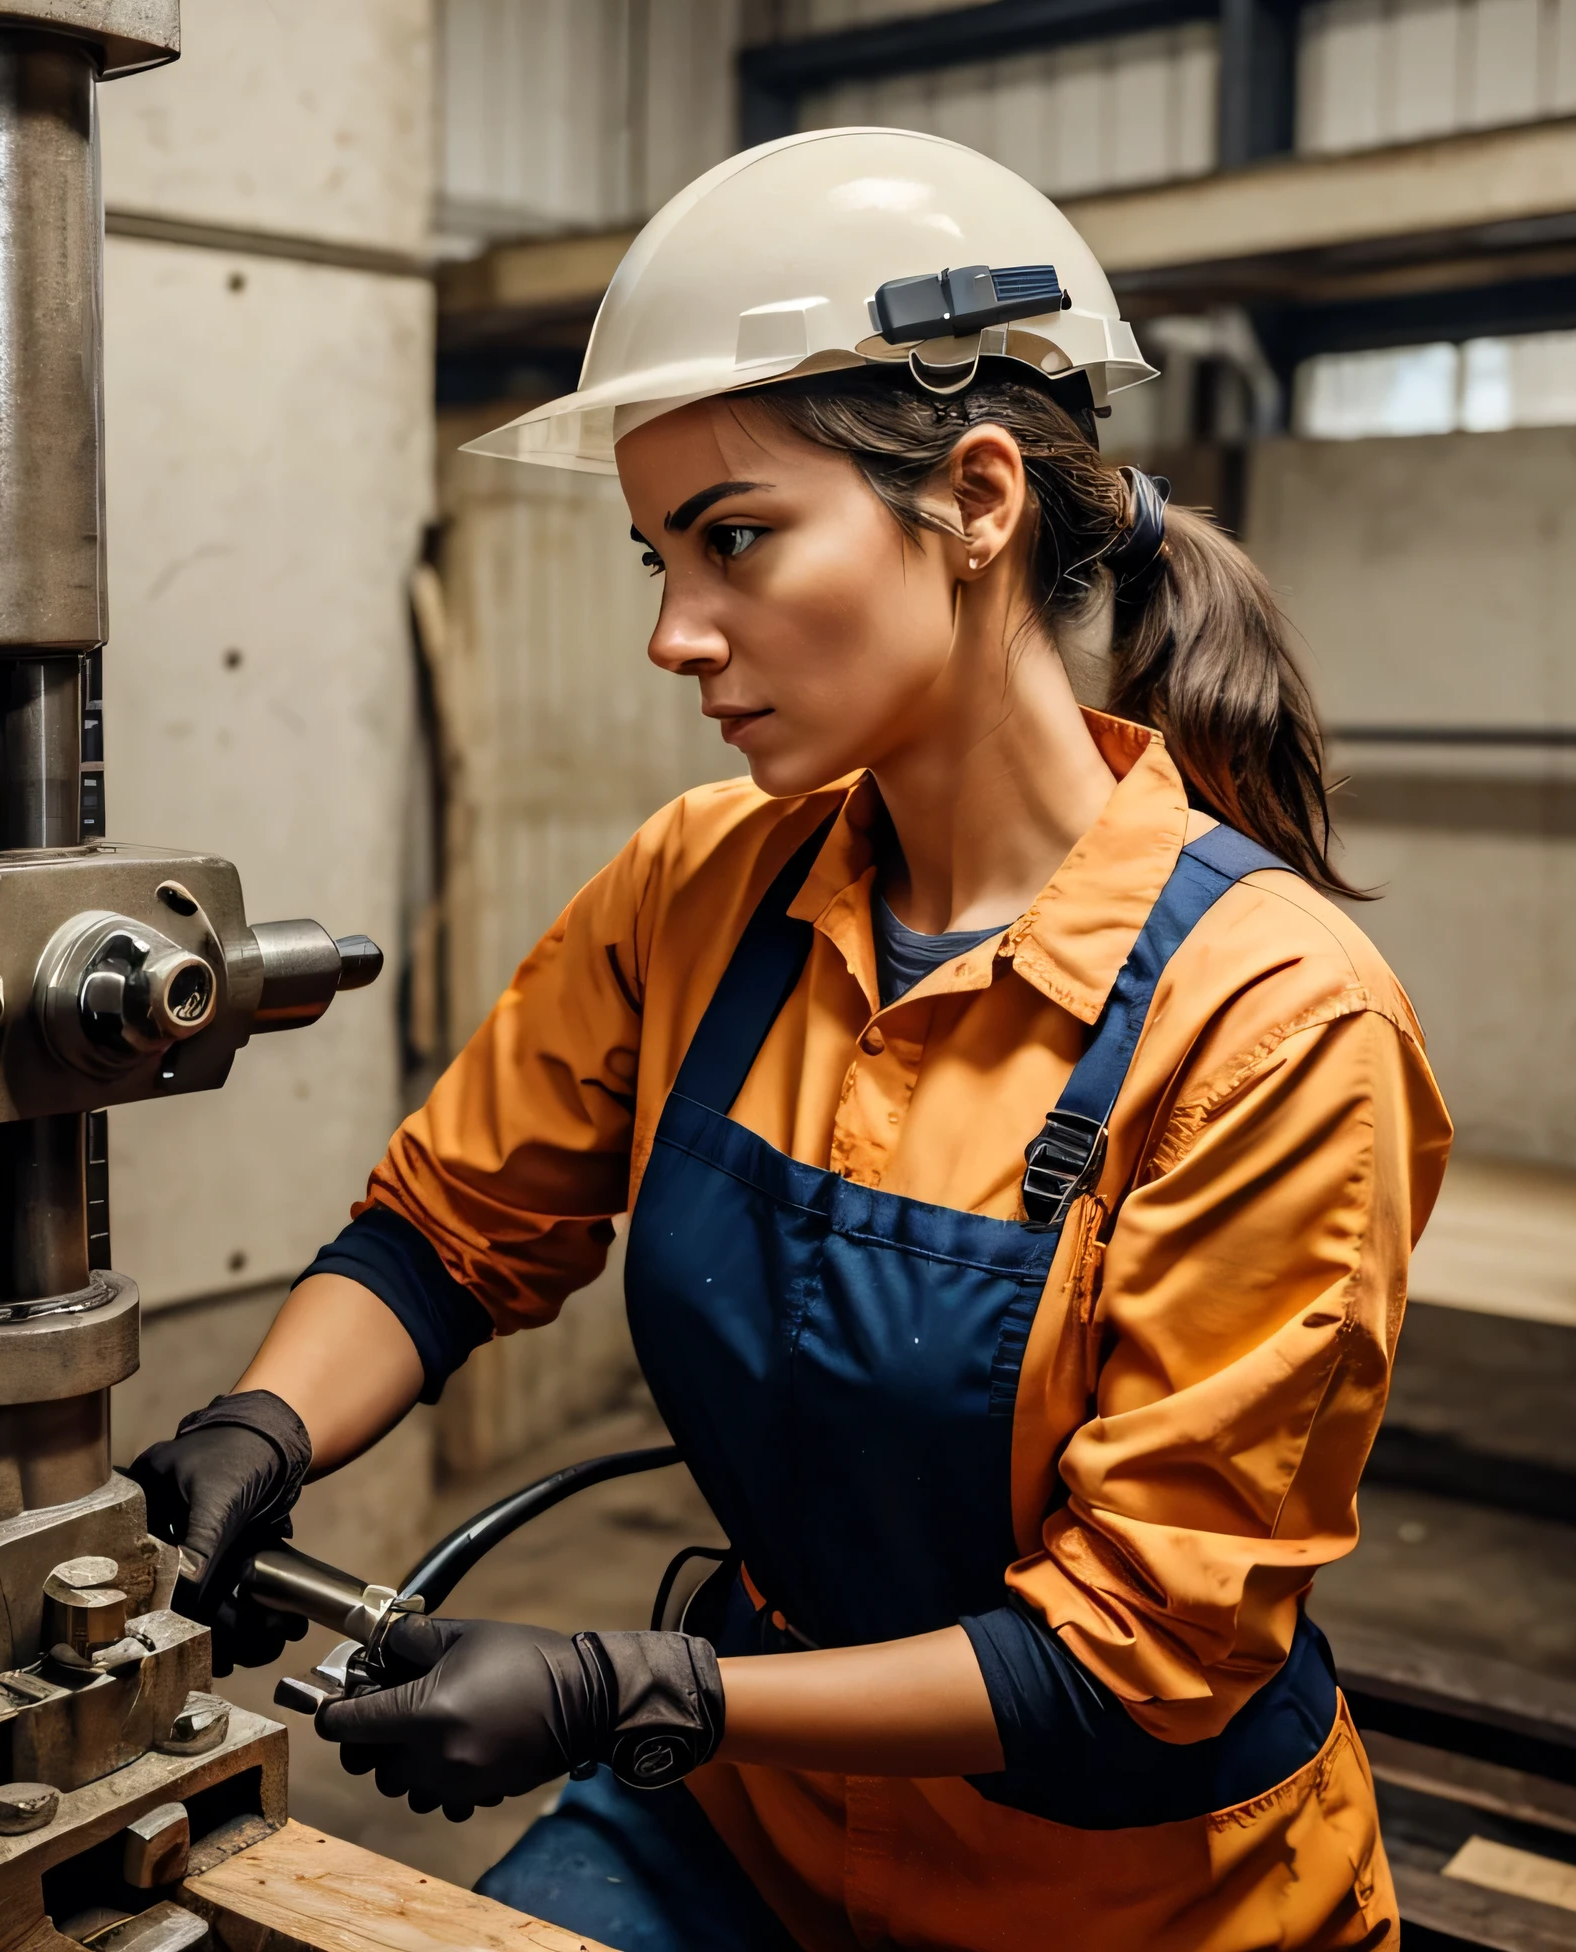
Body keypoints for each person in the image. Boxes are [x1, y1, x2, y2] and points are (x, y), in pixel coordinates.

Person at [130, 128, 1451, 1951]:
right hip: (743, 1830)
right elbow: (448, 1236)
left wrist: (635, 1692)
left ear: (978, 500)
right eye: (658, 556)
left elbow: (1132, 1654)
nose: (677, 633)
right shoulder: (703, 888)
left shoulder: (1274, 1023)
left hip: (1125, 1896)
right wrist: (261, 1429)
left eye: (738, 540)